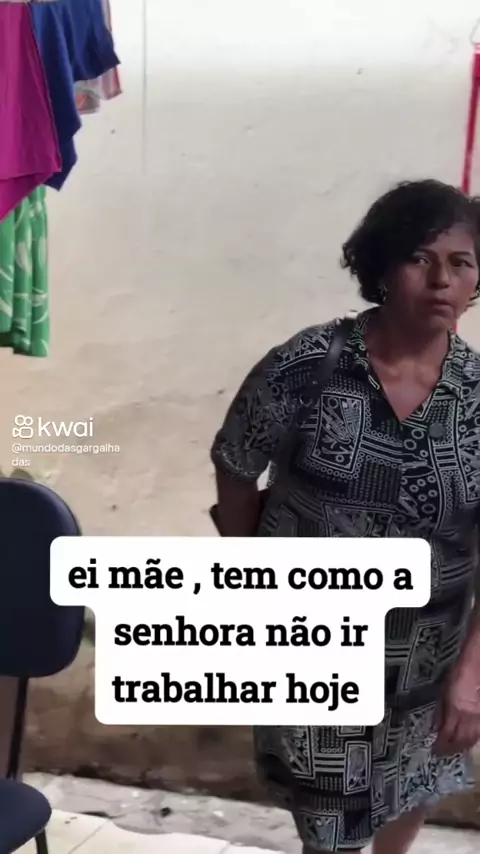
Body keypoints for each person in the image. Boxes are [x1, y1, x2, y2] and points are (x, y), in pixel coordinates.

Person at [210, 179, 480, 854]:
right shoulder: (309, 364)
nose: (442, 280)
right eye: (420, 259)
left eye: (461, 263)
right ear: (382, 267)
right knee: (329, 828)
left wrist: (472, 676)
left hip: (428, 658)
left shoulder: (477, 396)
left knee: (411, 789)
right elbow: (236, 464)